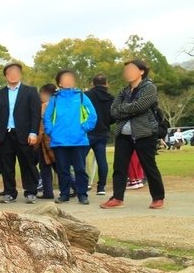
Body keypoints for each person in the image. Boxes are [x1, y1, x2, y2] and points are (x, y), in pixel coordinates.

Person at [102, 60, 165, 209]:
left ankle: (158, 198)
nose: (128, 72)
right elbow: (113, 111)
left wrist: (124, 108)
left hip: (145, 133)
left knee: (149, 166)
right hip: (124, 134)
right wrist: (129, 109)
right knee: (119, 166)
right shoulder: (123, 91)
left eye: (131, 69)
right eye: (126, 70)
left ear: (141, 71)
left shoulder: (150, 87)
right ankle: (117, 198)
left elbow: (141, 106)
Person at [44, 70, 97, 204]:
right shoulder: (55, 98)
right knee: (62, 169)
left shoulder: (81, 97)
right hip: (59, 141)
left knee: (80, 169)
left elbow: (92, 115)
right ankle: (64, 194)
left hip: (78, 140)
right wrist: (51, 131)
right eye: (64, 79)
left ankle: (82, 194)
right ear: (59, 83)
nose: (67, 81)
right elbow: (47, 117)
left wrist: (83, 128)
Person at [0, 63, 41, 203]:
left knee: (27, 164)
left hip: (24, 134)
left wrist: (33, 132)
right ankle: (10, 192)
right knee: (7, 165)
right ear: (6, 76)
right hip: (5, 134)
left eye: (15, 72)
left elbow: (35, 114)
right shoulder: (0, 93)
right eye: (9, 72)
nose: (13, 75)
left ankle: (31, 192)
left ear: (20, 74)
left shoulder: (30, 91)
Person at [85, 74, 114, 195]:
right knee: (102, 159)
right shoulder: (111, 98)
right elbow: (114, 116)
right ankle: (101, 187)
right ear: (106, 84)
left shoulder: (86, 96)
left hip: (87, 131)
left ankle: (84, 183)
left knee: (81, 158)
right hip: (103, 131)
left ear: (93, 83)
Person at [36, 84, 58, 199]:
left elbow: (41, 127)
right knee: (58, 166)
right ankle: (76, 187)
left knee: (46, 167)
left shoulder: (44, 107)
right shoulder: (58, 105)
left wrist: (36, 141)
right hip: (57, 141)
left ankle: (48, 192)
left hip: (45, 142)